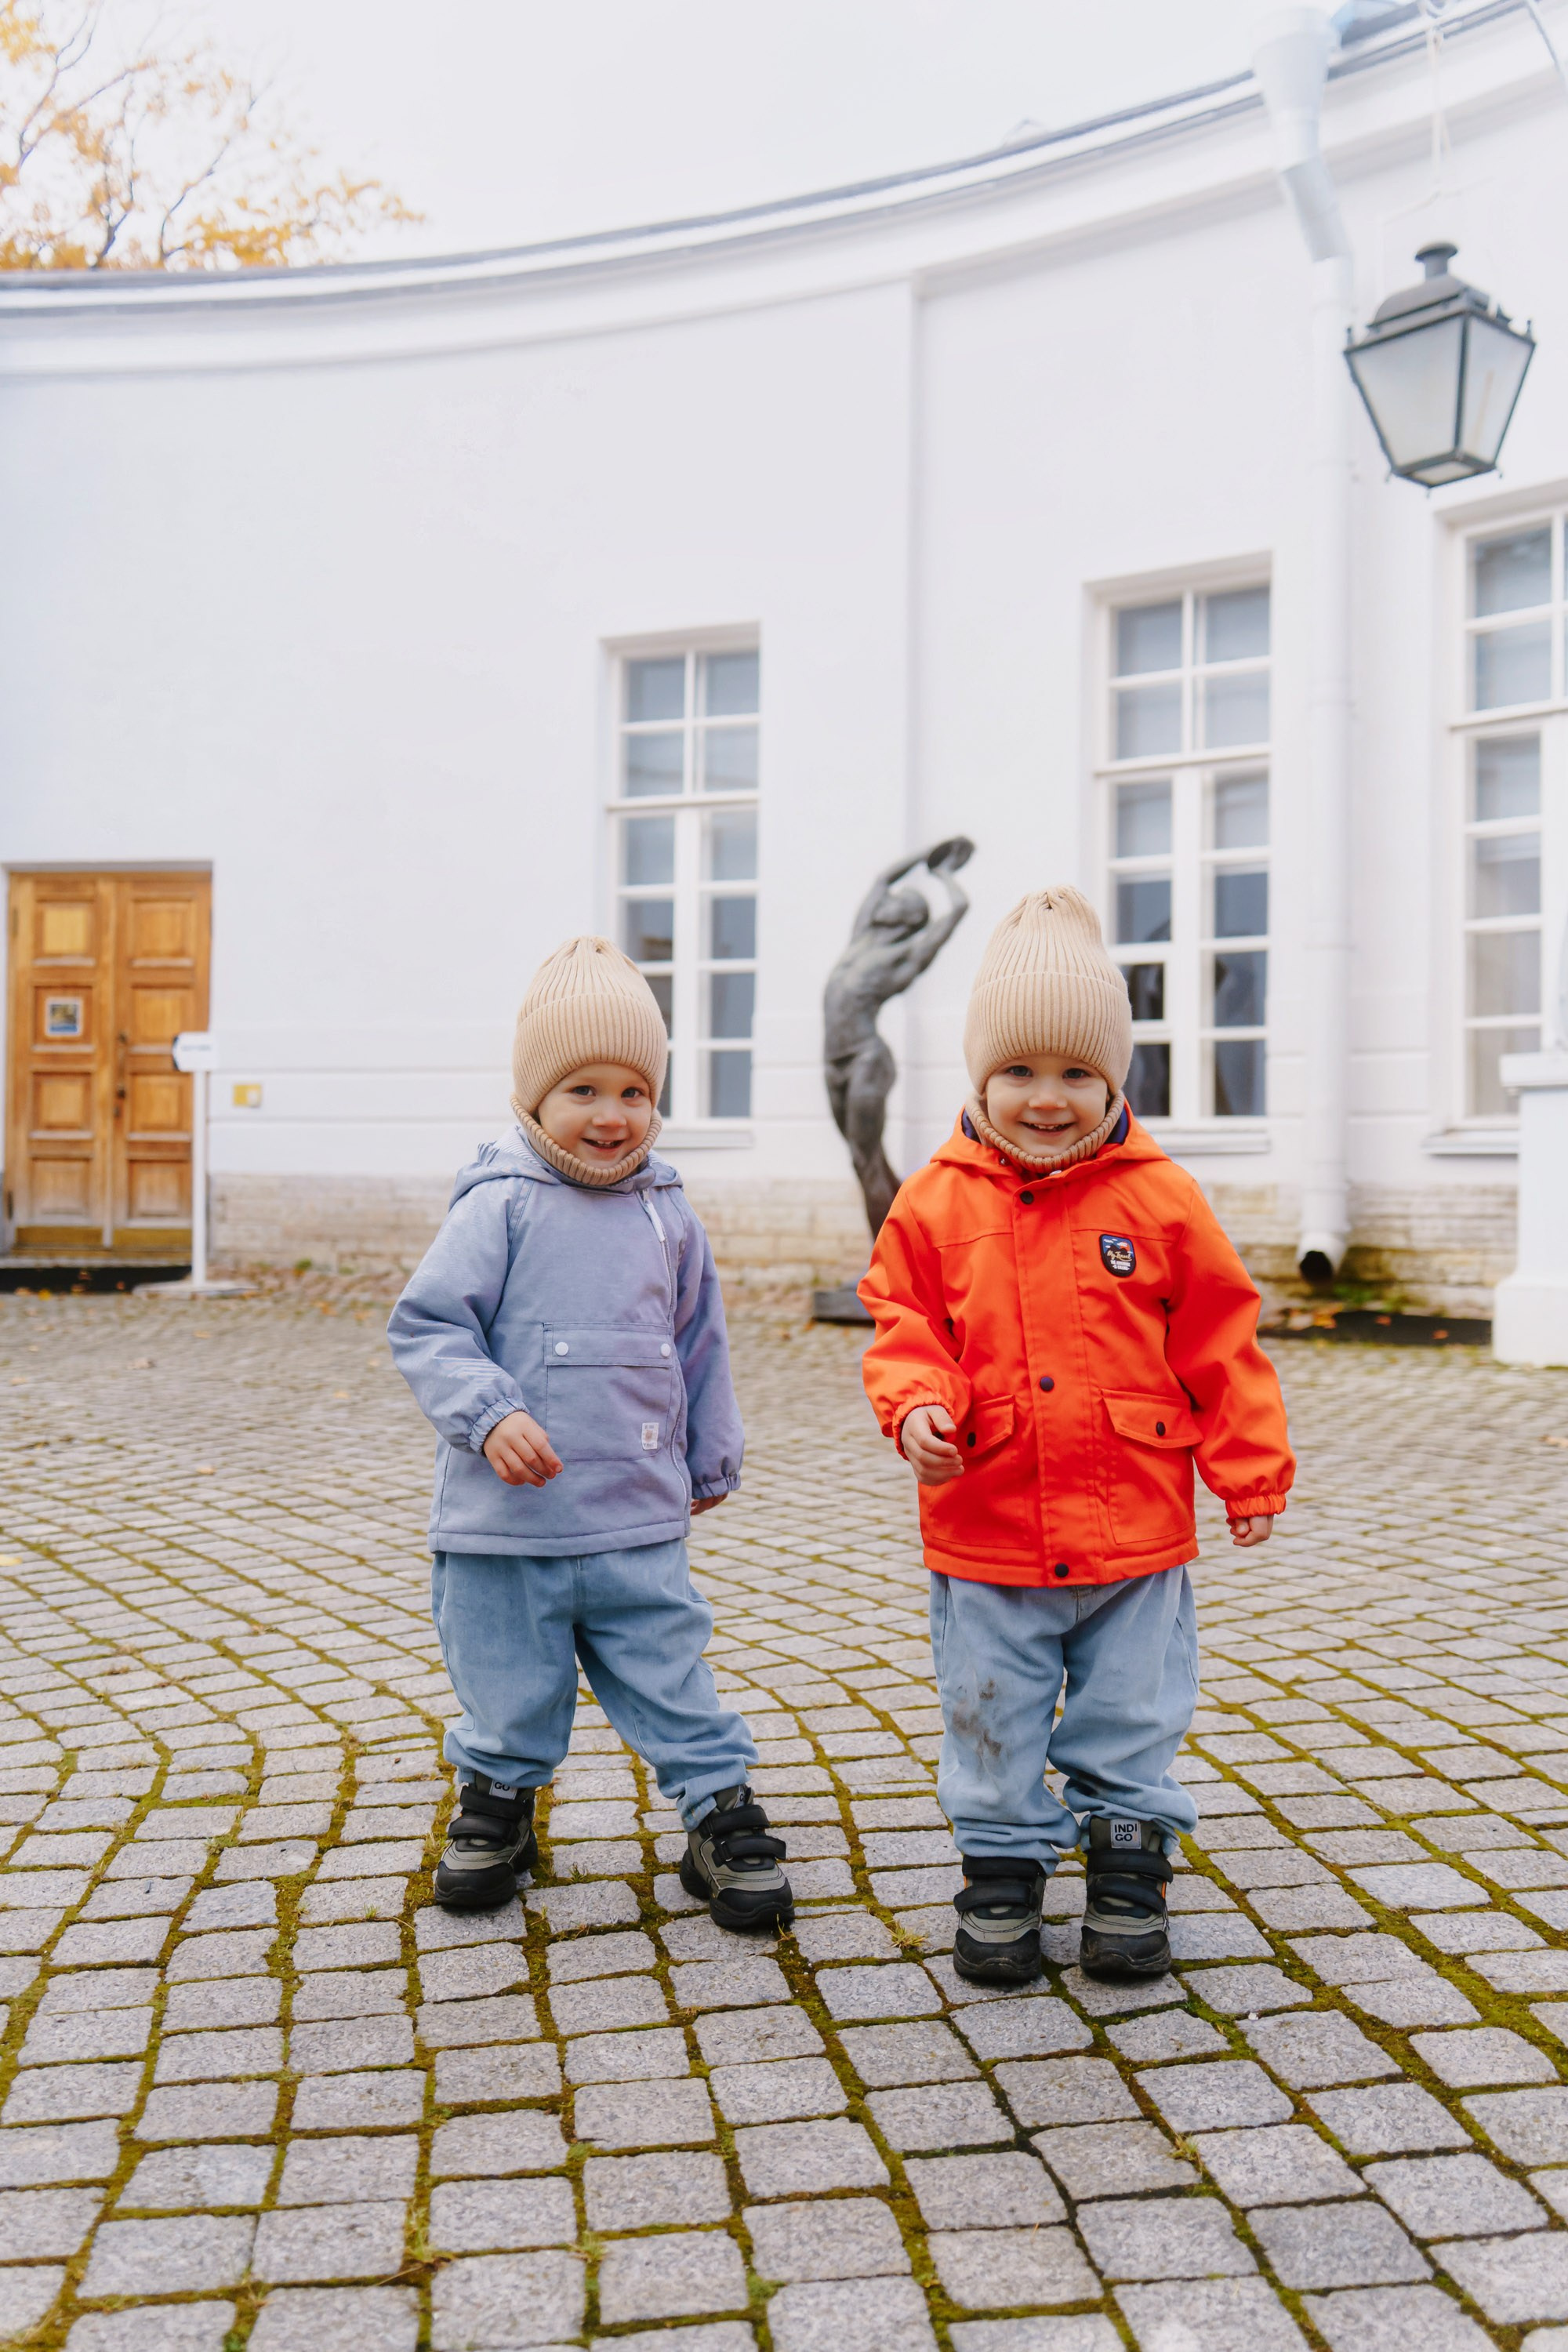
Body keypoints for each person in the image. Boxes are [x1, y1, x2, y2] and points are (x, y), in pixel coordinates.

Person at [859, 887, 1294, 1984]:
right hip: (987, 1526)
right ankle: (1001, 1867)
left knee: (1131, 1708)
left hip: (1134, 1528)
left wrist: (1247, 1471)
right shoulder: (932, 1203)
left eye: (1075, 1073)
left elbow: (1220, 1339)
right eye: (1019, 1071)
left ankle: (1127, 1862)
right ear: (979, 1078)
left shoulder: (1162, 1199)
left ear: (1113, 1079)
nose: (1046, 1099)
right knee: (989, 1706)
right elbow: (903, 1323)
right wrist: (916, 1406)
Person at [388, 935, 792, 1932]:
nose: (611, 1116)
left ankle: (717, 1808)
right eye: (582, 1091)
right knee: (505, 1679)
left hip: (632, 1513)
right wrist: (490, 1413)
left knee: (669, 1668)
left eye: (633, 1093)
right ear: (533, 1098)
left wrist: (710, 1451)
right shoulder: (499, 1204)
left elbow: (697, 1340)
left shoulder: (667, 1214)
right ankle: (497, 1806)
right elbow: (430, 1327)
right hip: (505, 1523)